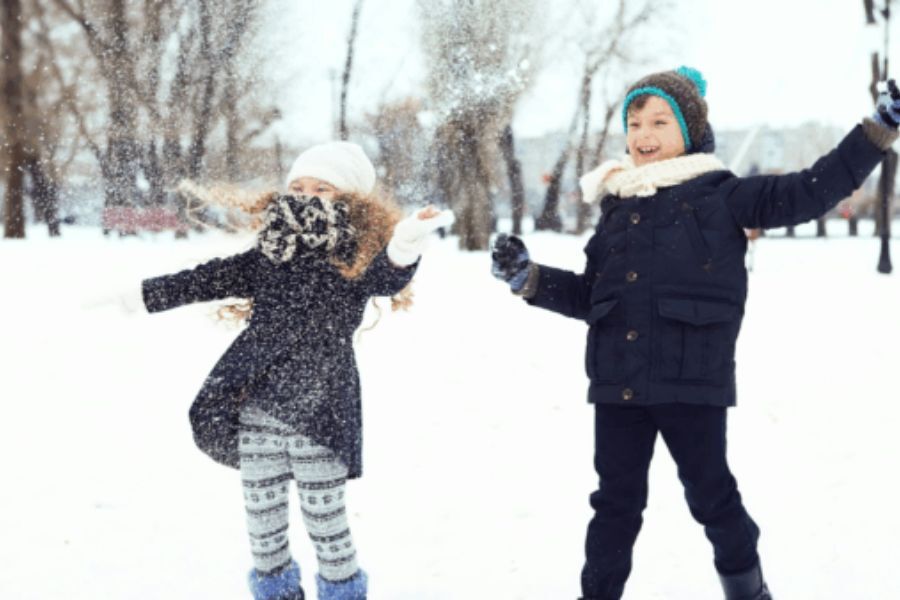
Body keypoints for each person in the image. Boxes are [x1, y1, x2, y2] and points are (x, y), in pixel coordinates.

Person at [491, 67, 900, 600]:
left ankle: (749, 592)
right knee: (614, 505)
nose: (643, 133)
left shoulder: (724, 198)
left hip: (691, 380)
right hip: (620, 384)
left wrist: (878, 129)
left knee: (712, 498)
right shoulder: (617, 211)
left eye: (660, 120)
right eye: (635, 122)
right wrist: (529, 278)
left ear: (691, 129)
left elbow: (810, 190)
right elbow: (594, 298)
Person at [136, 141, 452, 600]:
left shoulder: (355, 254)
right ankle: (276, 593)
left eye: (321, 188)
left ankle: (342, 593)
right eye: (298, 186)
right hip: (257, 407)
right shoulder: (270, 253)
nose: (305, 195)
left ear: (350, 199)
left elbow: (387, 276)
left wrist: (404, 244)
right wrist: (141, 296)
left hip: (320, 411)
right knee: (263, 527)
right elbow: (206, 278)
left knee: (326, 523)